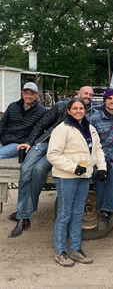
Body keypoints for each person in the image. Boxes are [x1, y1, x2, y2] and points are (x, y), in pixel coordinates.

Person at [8, 86, 95, 238]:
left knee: (39, 170)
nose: (88, 96)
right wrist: (29, 142)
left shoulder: (91, 114)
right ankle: (24, 212)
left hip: (61, 150)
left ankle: (24, 215)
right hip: (44, 143)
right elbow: (41, 125)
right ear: (78, 94)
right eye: (85, 93)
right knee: (25, 169)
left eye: (91, 95)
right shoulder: (61, 106)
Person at [47, 98, 106, 267]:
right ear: (69, 110)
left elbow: (98, 149)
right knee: (65, 214)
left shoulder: (90, 128)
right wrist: (73, 168)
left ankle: (75, 249)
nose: (79, 111)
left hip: (84, 176)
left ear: (85, 110)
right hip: (67, 177)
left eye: (81, 108)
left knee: (78, 214)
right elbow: (52, 155)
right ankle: (60, 251)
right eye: (75, 108)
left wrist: (101, 167)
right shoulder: (62, 129)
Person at [90, 89, 113, 231]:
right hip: (99, 150)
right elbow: (91, 139)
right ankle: (103, 209)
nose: (112, 101)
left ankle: (107, 210)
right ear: (104, 100)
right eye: (109, 98)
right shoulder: (95, 118)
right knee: (98, 172)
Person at [0, 82, 47, 160]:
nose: (28, 96)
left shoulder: (42, 112)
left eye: (31, 94)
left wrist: (28, 143)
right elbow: (2, 124)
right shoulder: (13, 106)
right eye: (26, 93)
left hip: (19, 144)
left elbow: (38, 131)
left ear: (36, 94)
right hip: (4, 140)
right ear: (22, 93)